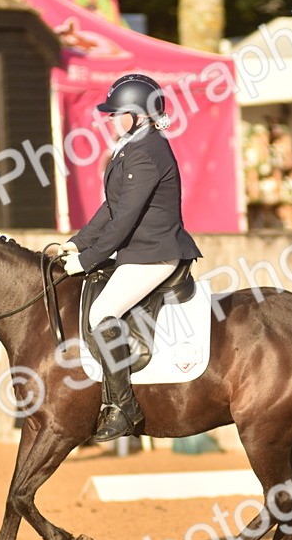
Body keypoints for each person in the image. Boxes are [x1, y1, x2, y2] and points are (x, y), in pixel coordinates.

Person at [59, 73, 203, 442]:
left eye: (116, 113)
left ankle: (123, 408)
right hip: (139, 252)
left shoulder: (147, 152)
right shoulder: (132, 146)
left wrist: (89, 259)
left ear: (138, 114)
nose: (109, 120)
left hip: (155, 254)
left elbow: (125, 219)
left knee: (99, 313)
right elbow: (112, 207)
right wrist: (77, 244)